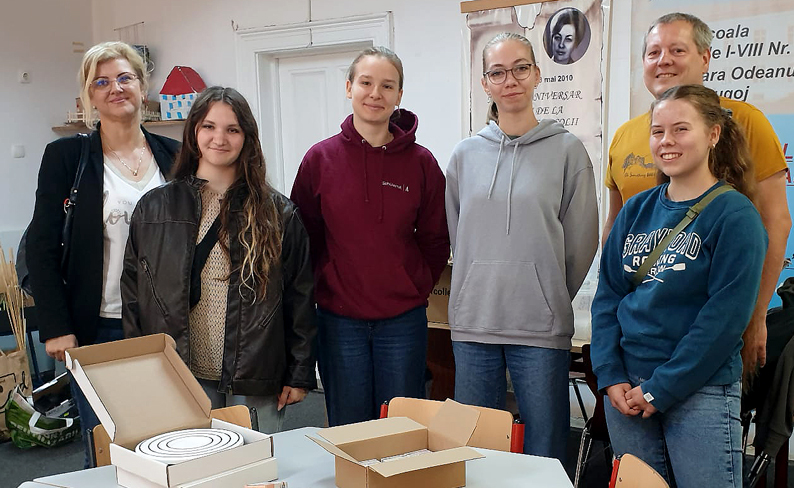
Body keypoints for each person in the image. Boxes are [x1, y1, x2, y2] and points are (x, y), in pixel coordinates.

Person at [592, 84, 766, 488]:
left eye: (680, 129)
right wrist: (611, 377)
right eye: (657, 131)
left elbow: (723, 321)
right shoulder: (637, 209)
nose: (666, 140)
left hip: (700, 393)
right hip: (627, 393)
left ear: (713, 134)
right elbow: (609, 296)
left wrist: (659, 390)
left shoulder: (735, 215)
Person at [603, 12, 789, 378]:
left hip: (711, 337)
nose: (664, 61)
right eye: (653, 52)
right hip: (637, 341)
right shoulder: (625, 135)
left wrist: (754, 317)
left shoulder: (745, 121)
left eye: (677, 50)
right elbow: (614, 229)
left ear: (704, 58)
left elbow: (776, 223)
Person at [121, 86, 316, 433]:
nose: (219, 138)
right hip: (179, 371)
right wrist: (139, 369)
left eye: (232, 129)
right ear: (194, 131)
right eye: (209, 126)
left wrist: (299, 372)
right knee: (192, 474)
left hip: (255, 373)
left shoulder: (278, 213)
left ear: (247, 138)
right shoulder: (154, 208)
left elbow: (300, 298)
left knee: (254, 477)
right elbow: (135, 294)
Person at [445, 32, 598, 464]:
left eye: (520, 68)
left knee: (544, 451)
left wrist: (545, 291)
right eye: (497, 72)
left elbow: (582, 242)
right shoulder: (464, 156)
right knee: (476, 451)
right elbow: (459, 234)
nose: (509, 79)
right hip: (475, 321)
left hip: (539, 326)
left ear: (536, 74)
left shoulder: (568, 152)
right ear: (485, 82)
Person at [26, 41, 179, 466]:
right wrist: (56, 325)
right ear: (90, 96)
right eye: (102, 82)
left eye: (125, 78)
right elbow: (40, 244)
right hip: (98, 327)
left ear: (142, 86)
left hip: (164, 327)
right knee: (108, 446)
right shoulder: (67, 157)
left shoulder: (173, 156)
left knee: (168, 441)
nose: (116, 88)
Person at [291, 46, 449, 426]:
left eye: (387, 85)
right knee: (349, 426)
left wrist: (412, 286)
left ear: (398, 96)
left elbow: (435, 239)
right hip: (338, 321)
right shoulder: (319, 160)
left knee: (401, 426)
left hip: (402, 322)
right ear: (349, 88)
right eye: (366, 82)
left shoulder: (421, 163)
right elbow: (303, 240)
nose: (375, 93)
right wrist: (327, 285)